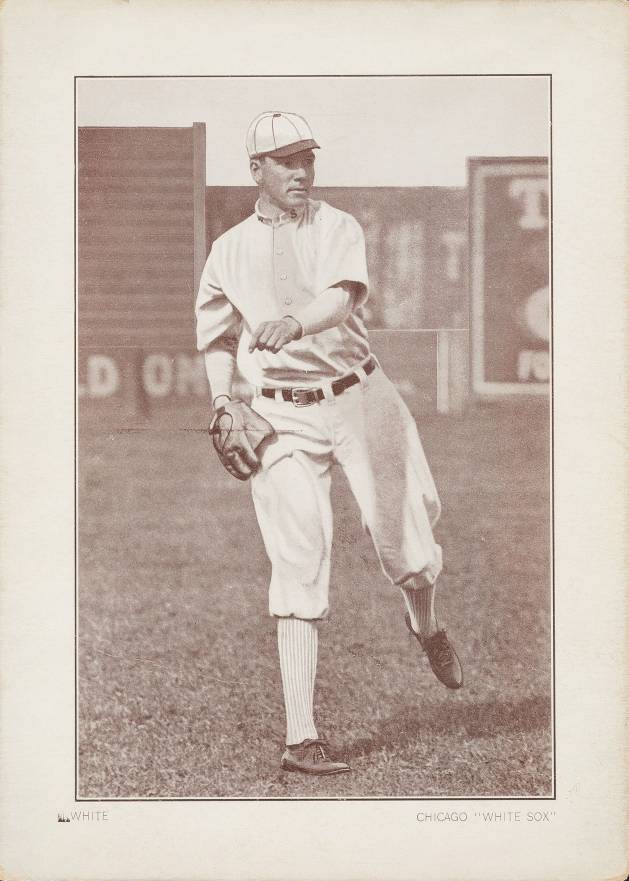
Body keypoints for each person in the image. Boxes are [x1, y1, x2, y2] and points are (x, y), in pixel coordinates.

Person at [195, 111, 463, 776]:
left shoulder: (336, 226)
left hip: (358, 397)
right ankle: (300, 737)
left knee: (407, 550)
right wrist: (223, 398)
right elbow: (216, 337)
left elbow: (341, 299)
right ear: (255, 170)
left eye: (305, 158)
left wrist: (292, 319)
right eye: (284, 160)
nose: (300, 171)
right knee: (298, 558)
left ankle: (424, 623)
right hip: (280, 417)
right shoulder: (228, 248)